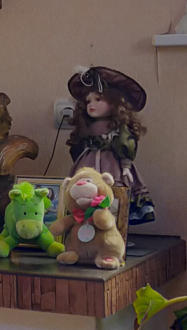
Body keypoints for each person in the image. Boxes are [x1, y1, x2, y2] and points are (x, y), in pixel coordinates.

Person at [66, 66, 155, 226]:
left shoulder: (117, 127)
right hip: (88, 161)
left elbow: (126, 142)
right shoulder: (87, 126)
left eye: (98, 99)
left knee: (113, 191)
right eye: (88, 101)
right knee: (85, 191)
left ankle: (113, 226)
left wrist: (126, 165)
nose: (91, 105)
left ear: (114, 102)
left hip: (111, 164)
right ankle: (87, 226)